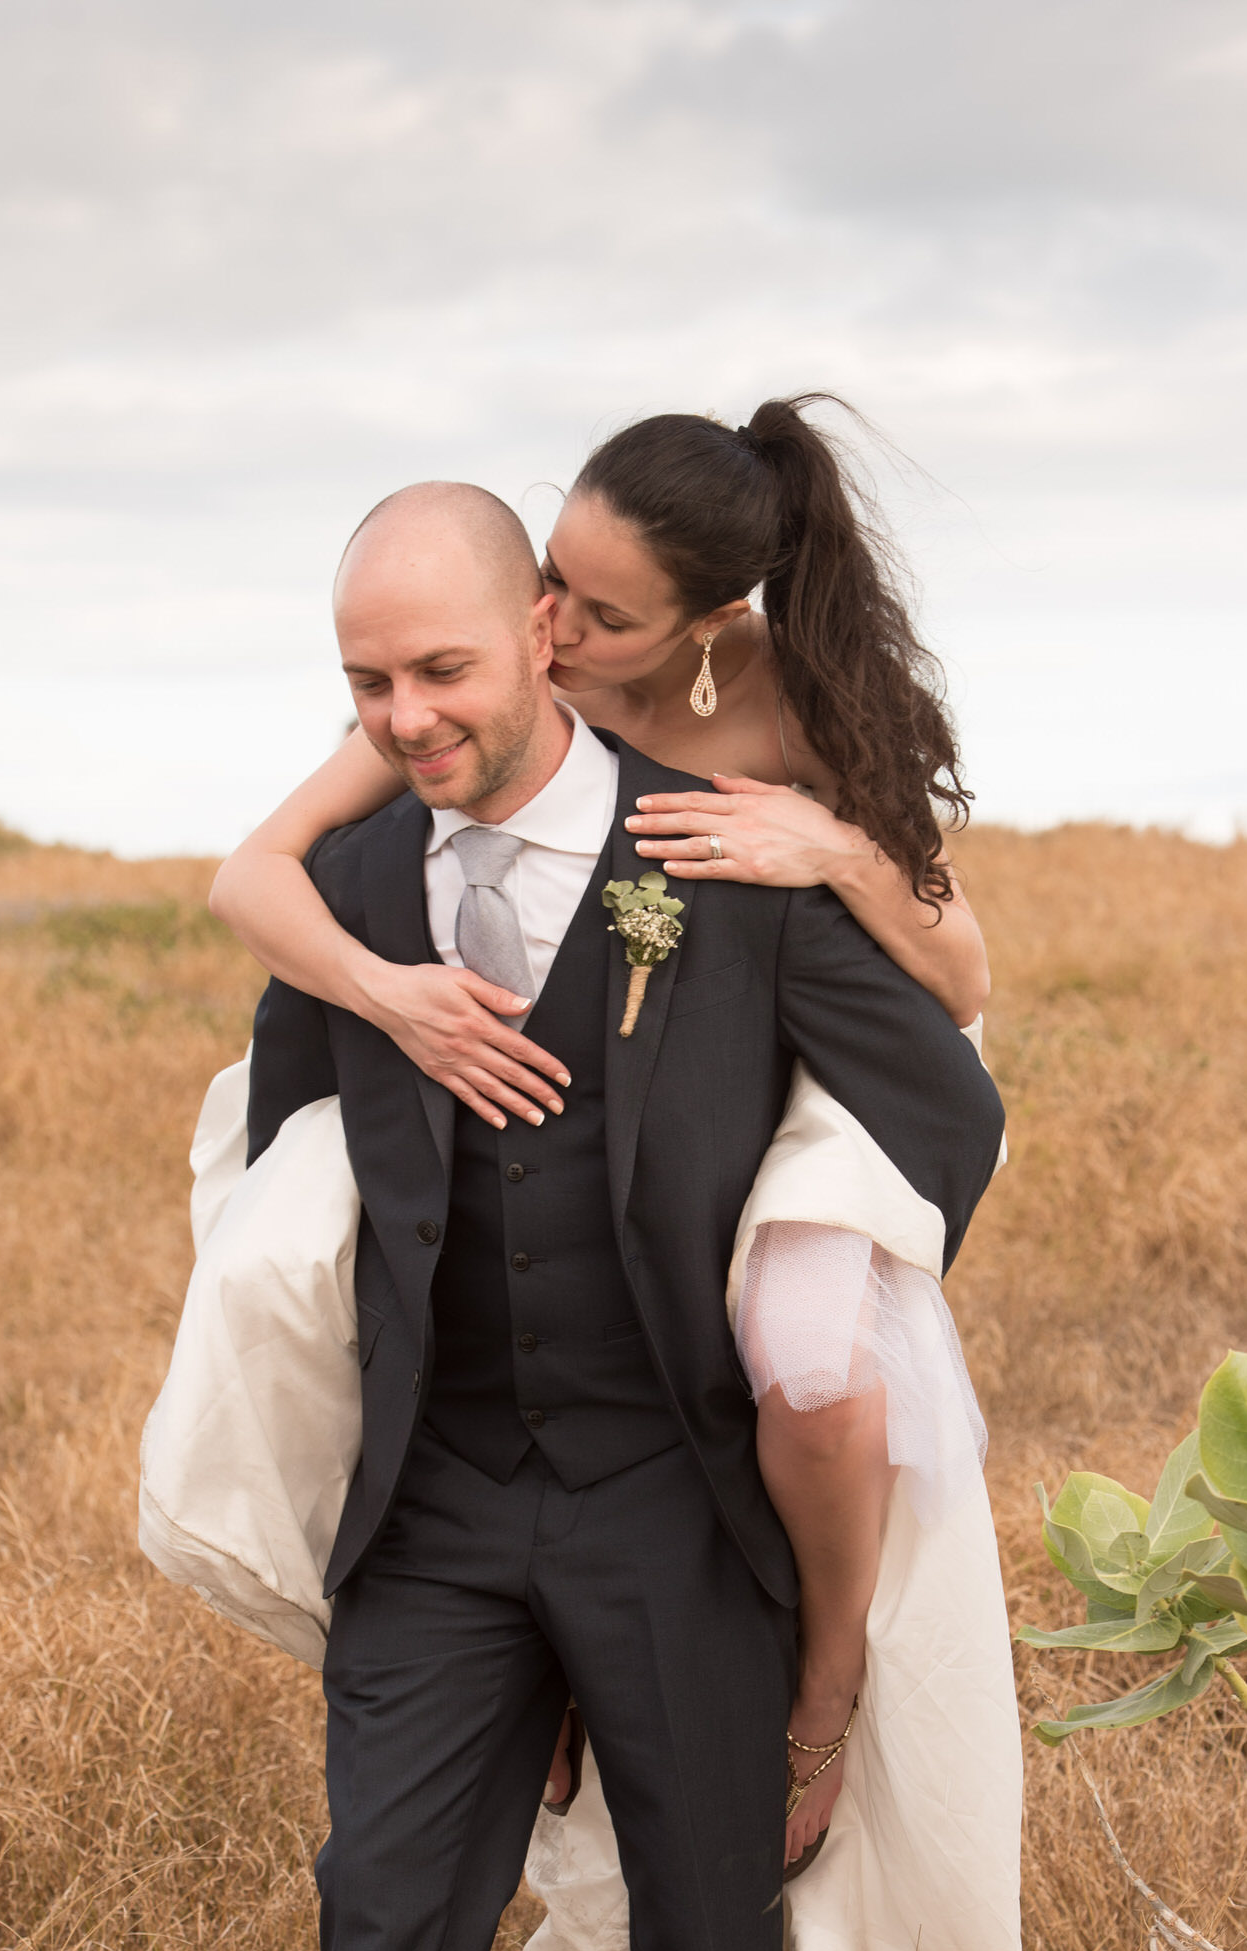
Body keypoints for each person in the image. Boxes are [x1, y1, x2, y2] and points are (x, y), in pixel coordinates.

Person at [188, 479, 1006, 1951]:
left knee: (704, 1945)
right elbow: (288, 1139)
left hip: (666, 1493)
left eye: (438, 669)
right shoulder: (354, 884)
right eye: (365, 681)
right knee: (381, 1926)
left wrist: (804, 1256)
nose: (403, 714)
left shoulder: (706, 859)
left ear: (543, 638)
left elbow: (942, 1096)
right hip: (442, 1505)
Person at [210, 395, 990, 1859]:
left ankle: (820, 1679)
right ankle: (547, 1629)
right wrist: (389, 997)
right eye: (550, 579)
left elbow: (961, 977)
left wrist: (826, 847)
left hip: (810, 1056)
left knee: (810, 1361)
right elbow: (253, 875)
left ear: (706, 626)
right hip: (575, 1054)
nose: (551, 630)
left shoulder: (806, 693)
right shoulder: (488, 681)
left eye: (601, 616)